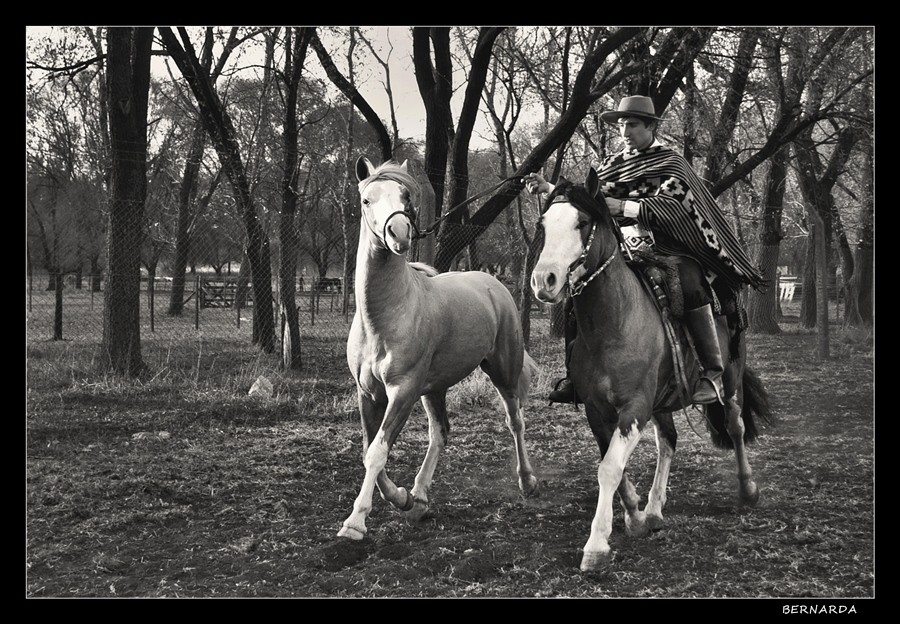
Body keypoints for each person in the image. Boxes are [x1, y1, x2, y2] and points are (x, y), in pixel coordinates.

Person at [524, 95, 765, 406]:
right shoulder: (611, 164)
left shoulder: (671, 161)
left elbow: (677, 207)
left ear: (650, 126)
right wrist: (549, 188)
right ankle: (575, 377)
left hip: (669, 246)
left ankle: (712, 372)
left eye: (633, 125)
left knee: (690, 284)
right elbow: (587, 198)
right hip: (623, 247)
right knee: (579, 289)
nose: (625, 132)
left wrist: (624, 206)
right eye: (621, 125)